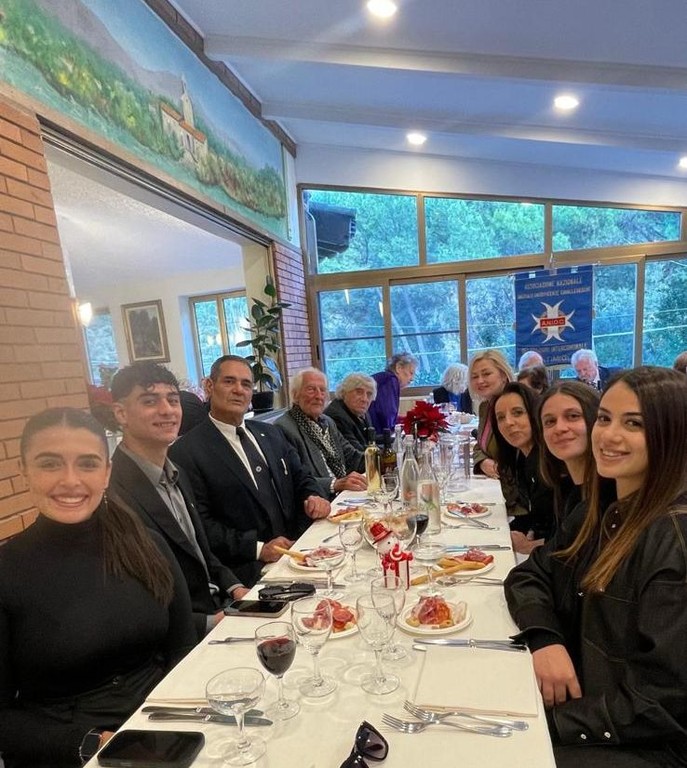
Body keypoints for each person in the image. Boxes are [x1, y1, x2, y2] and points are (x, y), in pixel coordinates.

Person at [505, 367, 687, 767]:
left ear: (672, 434)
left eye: (634, 423)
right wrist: (545, 637)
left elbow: (663, 702)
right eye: (605, 418)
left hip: (645, 741)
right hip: (592, 699)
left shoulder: (672, 538)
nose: (609, 435)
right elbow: (529, 574)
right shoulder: (600, 507)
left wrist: (547, 723)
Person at [0, 408, 195, 768]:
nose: (70, 480)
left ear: (107, 472)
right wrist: (91, 743)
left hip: (164, 731)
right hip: (70, 751)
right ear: (23, 470)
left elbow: (182, 646)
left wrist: (179, 718)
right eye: (50, 464)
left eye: (87, 464)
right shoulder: (7, 571)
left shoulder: (147, 544)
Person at [108, 362, 249, 641]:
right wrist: (210, 622)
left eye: (173, 400)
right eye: (150, 401)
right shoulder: (112, 492)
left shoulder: (177, 473)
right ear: (121, 413)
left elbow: (201, 552)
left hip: (221, 606)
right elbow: (131, 599)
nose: (167, 410)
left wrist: (235, 587)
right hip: (184, 636)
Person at [169, 355, 330, 587]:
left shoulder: (271, 433)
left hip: (299, 550)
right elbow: (202, 525)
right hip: (250, 569)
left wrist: (313, 496)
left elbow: (301, 476)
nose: (239, 390)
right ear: (209, 386)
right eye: (229, 381)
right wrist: (259, 549)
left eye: (246, 384)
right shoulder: (186, 451)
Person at [277, 368, 367, 499]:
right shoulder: (284, 428)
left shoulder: (328, 422)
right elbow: (294, 479)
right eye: (311, 389)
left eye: (323, 390)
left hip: (343, 495)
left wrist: (386, 460)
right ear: (295, 394)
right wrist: (335, 484)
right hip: (318, 501)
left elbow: (353, 458)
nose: (319, 396)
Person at [491, 382, 555, 555]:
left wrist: (530, 546)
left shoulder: (552, 461)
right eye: (501, 417)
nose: (508, 423)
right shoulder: (521, 457)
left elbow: (572, 535)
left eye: (518, 413)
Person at [539, 381, 601, 523]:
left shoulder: (607, 499)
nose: (559, 428)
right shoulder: (564, 489)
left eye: (573, 416)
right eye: (550, 421)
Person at [468, 349, 514, 479]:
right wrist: (482, 462)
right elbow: (479, 446)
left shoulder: (513, 406)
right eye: (474, 376)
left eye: (486, 374)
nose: (480, 381)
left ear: (503, 375)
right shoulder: (485, 407)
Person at [324, 371, 377, 452]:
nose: (364, 399)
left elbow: (370, 441)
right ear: (344, 392)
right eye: (359, 392)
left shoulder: (360, 411)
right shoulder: (337, 417)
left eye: (369, 394)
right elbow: (356, 451)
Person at [367, 352, 418, 433]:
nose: (412, 379)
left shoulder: (385, 378)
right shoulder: (390, 380)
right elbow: (387, 415)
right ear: (398, 368)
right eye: (411, 373)